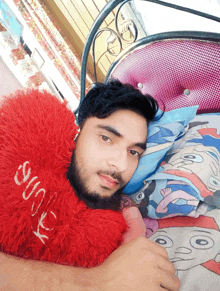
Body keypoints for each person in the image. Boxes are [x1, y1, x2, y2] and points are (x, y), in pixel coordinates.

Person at [0, 80, 180, 291]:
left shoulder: (120, 228)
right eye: (106, 138)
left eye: (133, 153)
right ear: (79, 130)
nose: (120, 165)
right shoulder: (23, 142)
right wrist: (94, 282)